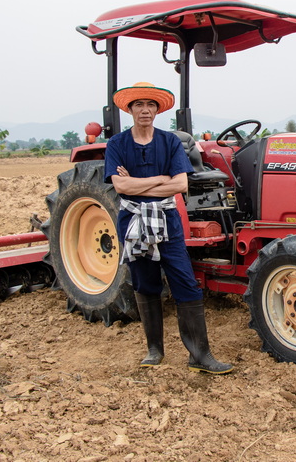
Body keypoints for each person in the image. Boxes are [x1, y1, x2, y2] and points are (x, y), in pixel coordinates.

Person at [104, 81, 233, 375]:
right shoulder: (117, 144)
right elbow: (121, 186)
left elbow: (181, 184)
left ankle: (200, 355)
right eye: (139, 104)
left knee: (185, 281)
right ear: (130, 109)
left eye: (150, 104)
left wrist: (140, 183)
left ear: (157, 110)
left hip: (167, 219)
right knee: (144, 281)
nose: (145, 110)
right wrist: (161, 179)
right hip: (134, 221)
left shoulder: (170, 142)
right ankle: (154, 350)